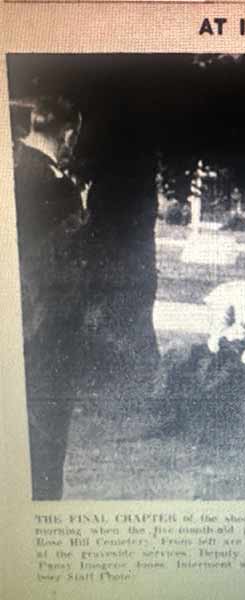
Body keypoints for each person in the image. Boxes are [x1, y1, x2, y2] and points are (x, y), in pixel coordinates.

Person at [14, 97, 87, 500]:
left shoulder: (17, 169)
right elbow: (56, 261)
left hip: (28, 322)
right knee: (45, 430)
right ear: (69, 133)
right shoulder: (50, 185)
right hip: (46, 327)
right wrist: (82, 217)